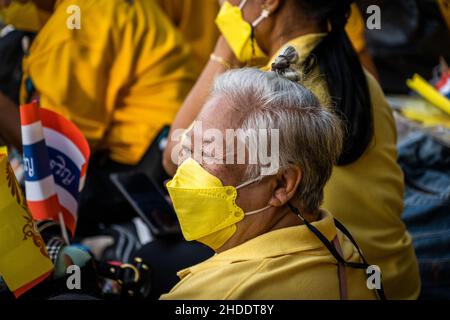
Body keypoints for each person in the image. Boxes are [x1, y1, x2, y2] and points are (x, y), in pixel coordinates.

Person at [162, 0, 420, 299]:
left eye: (231, 1)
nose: (223, 6)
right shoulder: (360, 77)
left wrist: (224, 49)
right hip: (392, 279)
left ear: (269, 4)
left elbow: (174, 156)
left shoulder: (272, 96)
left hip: (314, 273)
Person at [161, 61, 379, 300]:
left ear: (282, 185)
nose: (186, 168)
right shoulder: (342, 245)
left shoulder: (217, 294)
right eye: (189, 147)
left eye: (208, 154)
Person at [0, 0, 197, 233]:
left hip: (152, 170)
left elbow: (54, 159)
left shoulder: (71, 28)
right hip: (175, 141)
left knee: (25, 219)